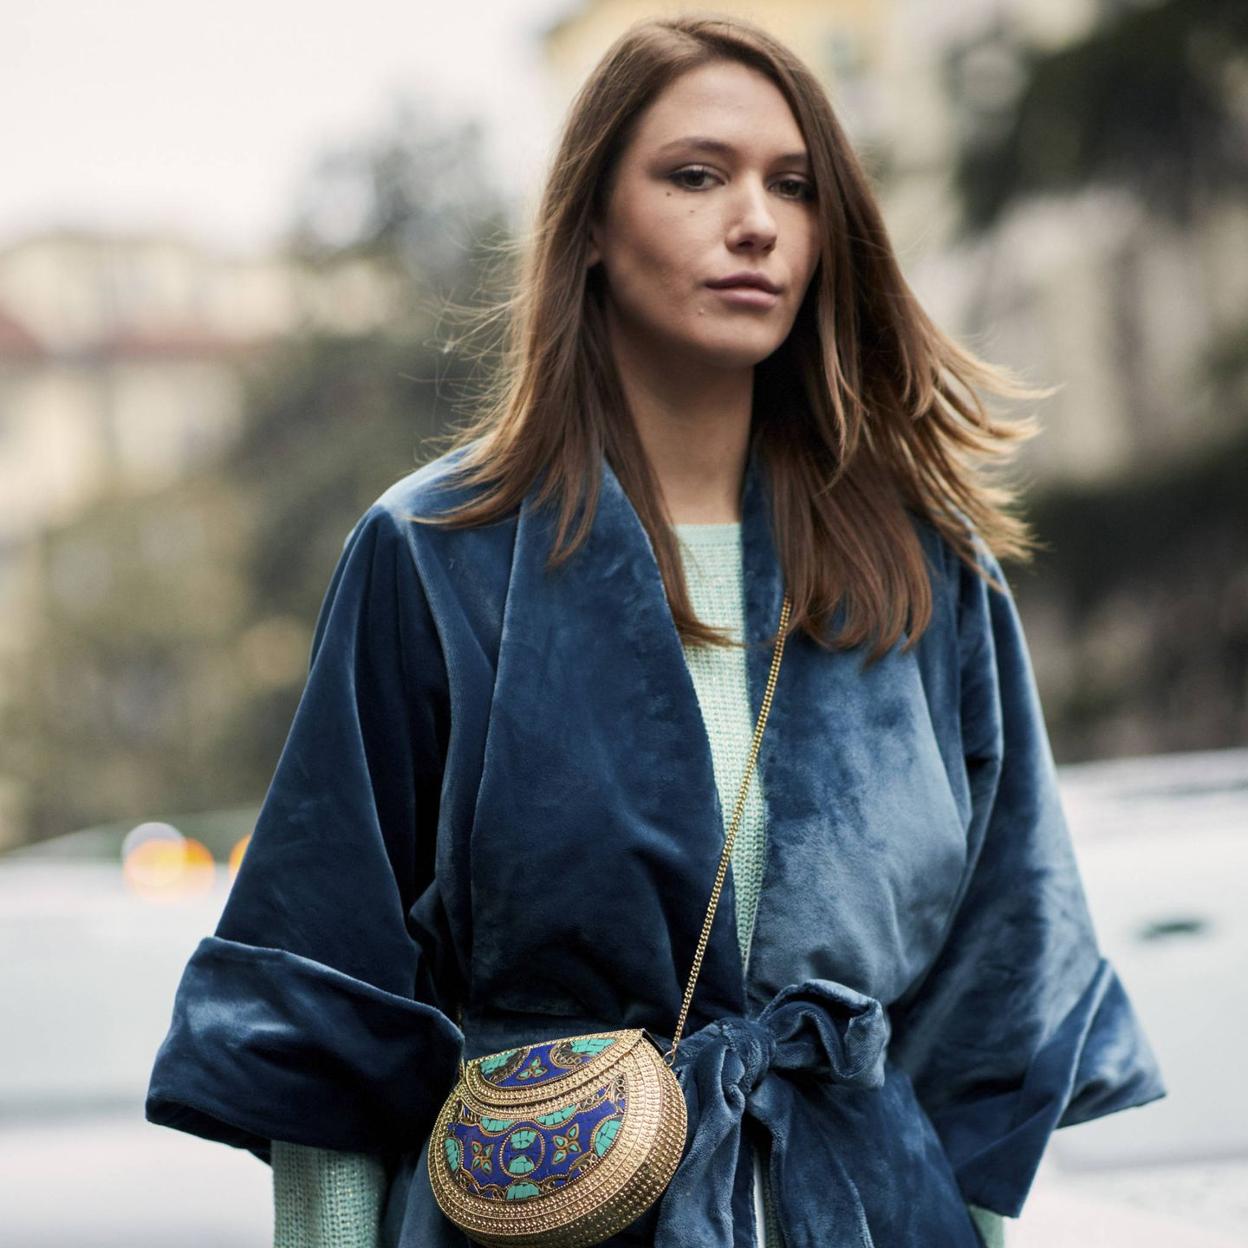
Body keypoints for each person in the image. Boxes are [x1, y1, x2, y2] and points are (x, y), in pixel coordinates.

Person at [145, 14, 1167, 1248]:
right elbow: (326, 995)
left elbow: (1005, 993)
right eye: (697, 175)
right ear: (587, 225)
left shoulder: (924, 569)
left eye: (794, 187)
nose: (757, 222)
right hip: (545, 1211)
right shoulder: (440, 555)